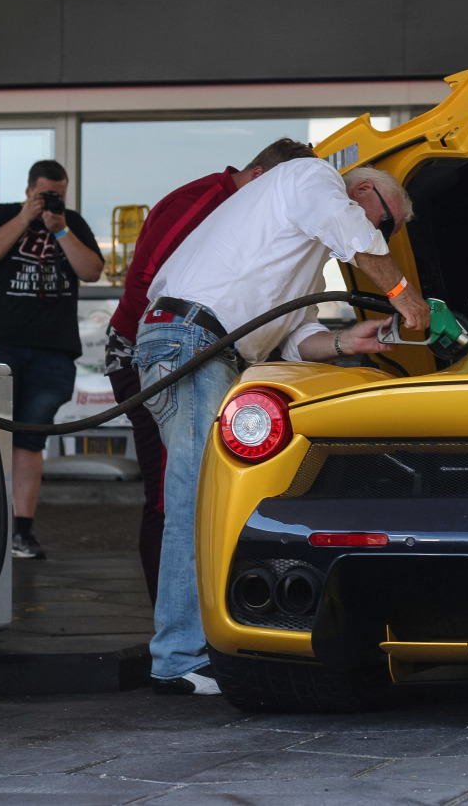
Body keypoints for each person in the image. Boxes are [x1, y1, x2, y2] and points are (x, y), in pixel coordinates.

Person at [136, 157, 430, 695]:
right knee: (195, 499)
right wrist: (403, 294)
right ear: (363, 190)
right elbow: (354, 234)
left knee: (206, 497)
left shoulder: (297, 250)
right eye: (384, 222)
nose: (380, 234)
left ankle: (193, 650)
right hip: (191, 340)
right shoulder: (310, 177)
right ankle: (178, 659)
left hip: (198, 344)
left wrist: (349, 342)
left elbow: (296, 339)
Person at [103, 139, 316, 605]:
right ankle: (171, 624)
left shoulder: (237, 211)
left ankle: (178, 620)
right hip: (152, 351)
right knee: (171, 494)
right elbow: (149, 280)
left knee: (190, 490)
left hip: (186, 350)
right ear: (262, 178)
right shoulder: (202, 200)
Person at [0, 160, 105, 559]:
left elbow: (91, 270)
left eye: (58, 192)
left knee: (31, 436)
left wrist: (59, 226)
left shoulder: (70, 222)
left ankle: (21, 531)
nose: (50, 200)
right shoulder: (2, 214)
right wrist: (26, 217)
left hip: (51, 350)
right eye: (44, 193)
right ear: (28, 190)